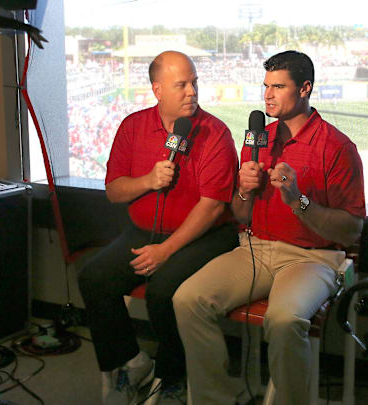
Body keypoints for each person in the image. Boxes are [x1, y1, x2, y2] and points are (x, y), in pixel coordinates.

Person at [173, 50, 366, 405]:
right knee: (188, 299)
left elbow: (352, 230)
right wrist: (243, 189)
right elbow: (241, 214)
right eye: (266, 86)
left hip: (313, 258)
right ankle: (215, 399)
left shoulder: (337, 147)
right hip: (256, 248)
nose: (268, 96)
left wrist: (298, 201)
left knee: (283, 319)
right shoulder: (258, 138)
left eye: (278, 86)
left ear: (305, 88)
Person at [77, 50, 239, 404]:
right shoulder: (133, 127)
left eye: (194, 83)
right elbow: (114, 190)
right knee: (94, 277)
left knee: (163, 291)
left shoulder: (215, 133)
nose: (192, 92)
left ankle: (173, 376)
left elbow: (212, 208)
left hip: (208, 236)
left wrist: (165, 251)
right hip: (145, 232)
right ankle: (130, 363)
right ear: (157, 90)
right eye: (181, 84)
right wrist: (148, 181)